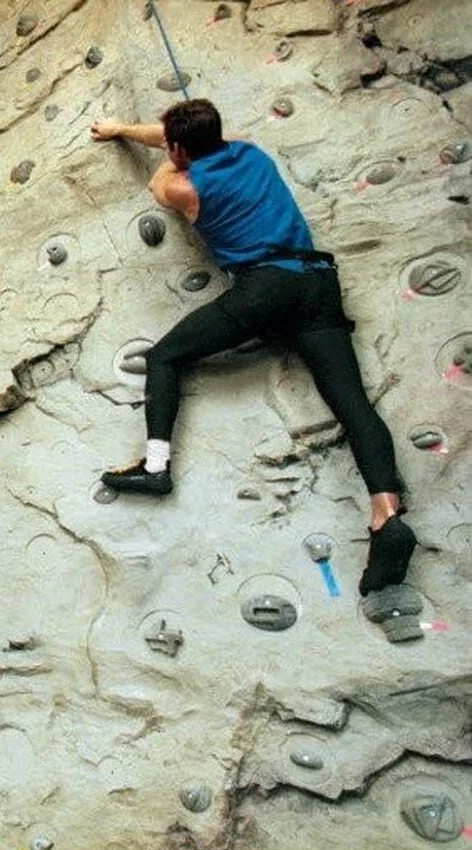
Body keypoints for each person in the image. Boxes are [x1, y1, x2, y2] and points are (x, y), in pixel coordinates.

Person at [90, 99, 415, 597]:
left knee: (164, 357)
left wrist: (162, 150)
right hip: (317, 282)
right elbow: (177, 141)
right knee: (352, 403)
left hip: (264, 291)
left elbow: (159, 182)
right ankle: (385, 512)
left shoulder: (183, 186)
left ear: (177, 150)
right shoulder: (250, 151)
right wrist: (122, 130)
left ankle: (155, 467)